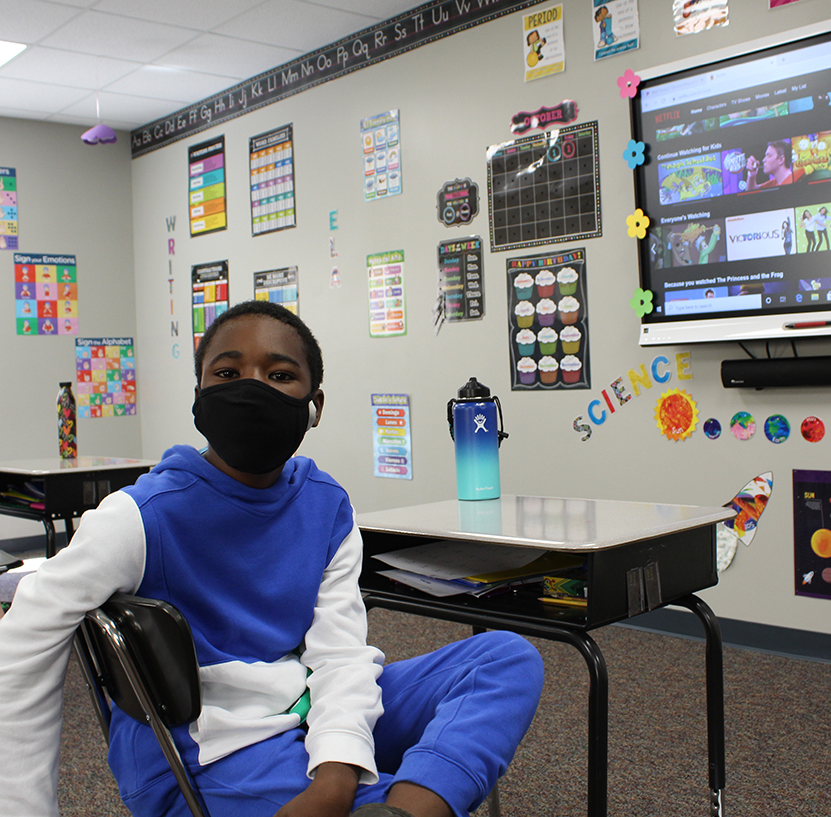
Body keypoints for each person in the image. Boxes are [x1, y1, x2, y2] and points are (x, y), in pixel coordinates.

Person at [0, 300, 544, 817]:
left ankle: (405, 809)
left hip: (302, 712)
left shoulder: (324, 505)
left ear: (315, 406)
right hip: (206, 750)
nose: (252, 390)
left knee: (503, 658)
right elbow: (23, 639)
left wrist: (336, 771)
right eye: (228, 374)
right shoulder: (141, 516)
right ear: (198, 397)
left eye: (280, 375)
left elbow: (340, 654)